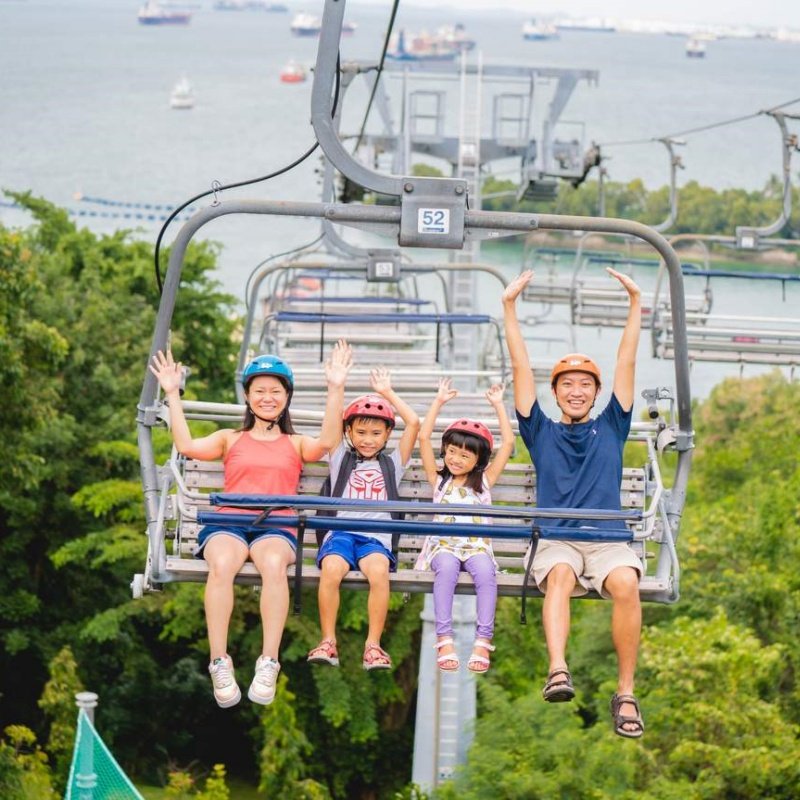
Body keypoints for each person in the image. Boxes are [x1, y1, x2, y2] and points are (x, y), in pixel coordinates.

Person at [149, 340, 352, 708]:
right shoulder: (231, 439)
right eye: (260, 391)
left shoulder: (295, 443)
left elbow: (327, 442)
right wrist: (172, 393)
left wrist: (336, 387)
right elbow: (187, 445)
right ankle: (219, 660)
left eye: (275, 391)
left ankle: (268, 661)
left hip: (275, 526)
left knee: (274, 565)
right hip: (229, 524)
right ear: (247, 396)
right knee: (223, 564)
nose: (267, 398)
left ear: (286, 398)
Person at [502, 267, 645, 738]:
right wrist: (509, 308)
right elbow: (521, 369)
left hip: (607, 541)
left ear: (597, 393)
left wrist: (634, 305)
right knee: (560, 575)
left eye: (585, 385)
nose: (577, 390)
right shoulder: (540, 430)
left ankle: (625, 693)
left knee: (626, 582)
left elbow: (627, 362)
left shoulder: (612, 426)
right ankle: (558, 669)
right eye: (567, 384)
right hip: (557, 538)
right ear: (556, 392)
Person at [307, 367, 420, 670]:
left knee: (379, 573)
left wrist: (386, 391)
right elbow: (330, 427)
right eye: (360, 432)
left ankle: (373, 644)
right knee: (331, 569)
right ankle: (328, 641)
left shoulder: (393, 463)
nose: (368, 440)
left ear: (386, 435)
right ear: (348, 433)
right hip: (341, 534)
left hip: (375, 538)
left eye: (376, 433)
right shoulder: (340, 458)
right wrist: (337, 385)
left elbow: (414, 423)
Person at [415, 378, 514, 674]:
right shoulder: (439, 480)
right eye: (452, 452)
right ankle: (444, 638)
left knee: (485, 573)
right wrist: (438, 402)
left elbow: (508, 444)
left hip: (476, 547)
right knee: (445, 570)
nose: (456, 459)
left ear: (478, 460)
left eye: (465, 455)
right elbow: (423, 438)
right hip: (444, 547)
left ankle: (483, 640)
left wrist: (498, 405)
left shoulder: (483, 484)